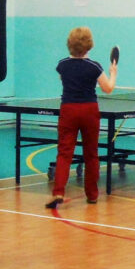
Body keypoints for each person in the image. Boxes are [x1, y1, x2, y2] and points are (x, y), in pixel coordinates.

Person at [46, 27, 117, 209]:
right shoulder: (95, 66)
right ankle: (92, 195)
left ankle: (59, 192)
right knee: (91, 153)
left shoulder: (62, 64)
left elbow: (64, 80)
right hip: (89, 110)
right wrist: (113, 72)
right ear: (89, 45)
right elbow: (107, 88)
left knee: (64, 152)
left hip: (68, 109)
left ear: (70, 44)